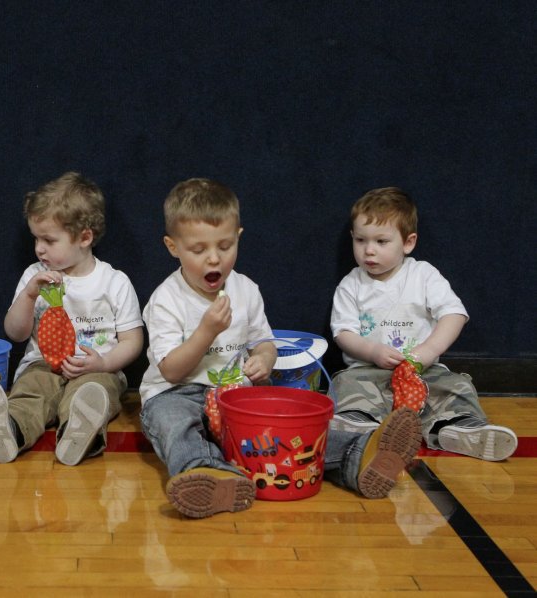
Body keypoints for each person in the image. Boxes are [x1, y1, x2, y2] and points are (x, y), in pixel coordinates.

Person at [139, 178, 423, 518]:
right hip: (175, 392)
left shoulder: (245, 290)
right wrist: (206, 331)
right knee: (173, 425)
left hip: (234, 394)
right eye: (198, 250)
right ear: (173, 247)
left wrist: (263, 358)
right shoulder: (166, 300)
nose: (213, 259)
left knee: (279, 433)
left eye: (225, 246)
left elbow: (265, 342)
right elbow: (170, 369)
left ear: (238, 238)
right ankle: (208, 476)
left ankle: (359, 454)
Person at [329, 186, 517, 461]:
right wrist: (372, 352)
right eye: (360, 240)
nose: (369, 251)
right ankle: (362, 428)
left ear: (408, 242)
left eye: (381, 242)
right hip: (369, 371)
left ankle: (459, 429)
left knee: (456, 386)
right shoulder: (352, 284)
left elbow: (454, 314)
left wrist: (427, 351)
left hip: (423, 372)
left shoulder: (423, 275)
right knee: (346, 384)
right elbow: (343, 333)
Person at [0, 172, 144, 466]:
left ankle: (78, 435)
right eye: (36, 238)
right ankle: (9, 429)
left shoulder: (114, 282)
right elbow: (15, 333)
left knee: (91, 395)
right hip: (43, 364)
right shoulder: (33, 276)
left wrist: (104, 363)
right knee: (31, 393)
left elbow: (133, 341)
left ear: (85, 237)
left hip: (96, 367)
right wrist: (27, 296)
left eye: (49, 240)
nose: (39, 248)